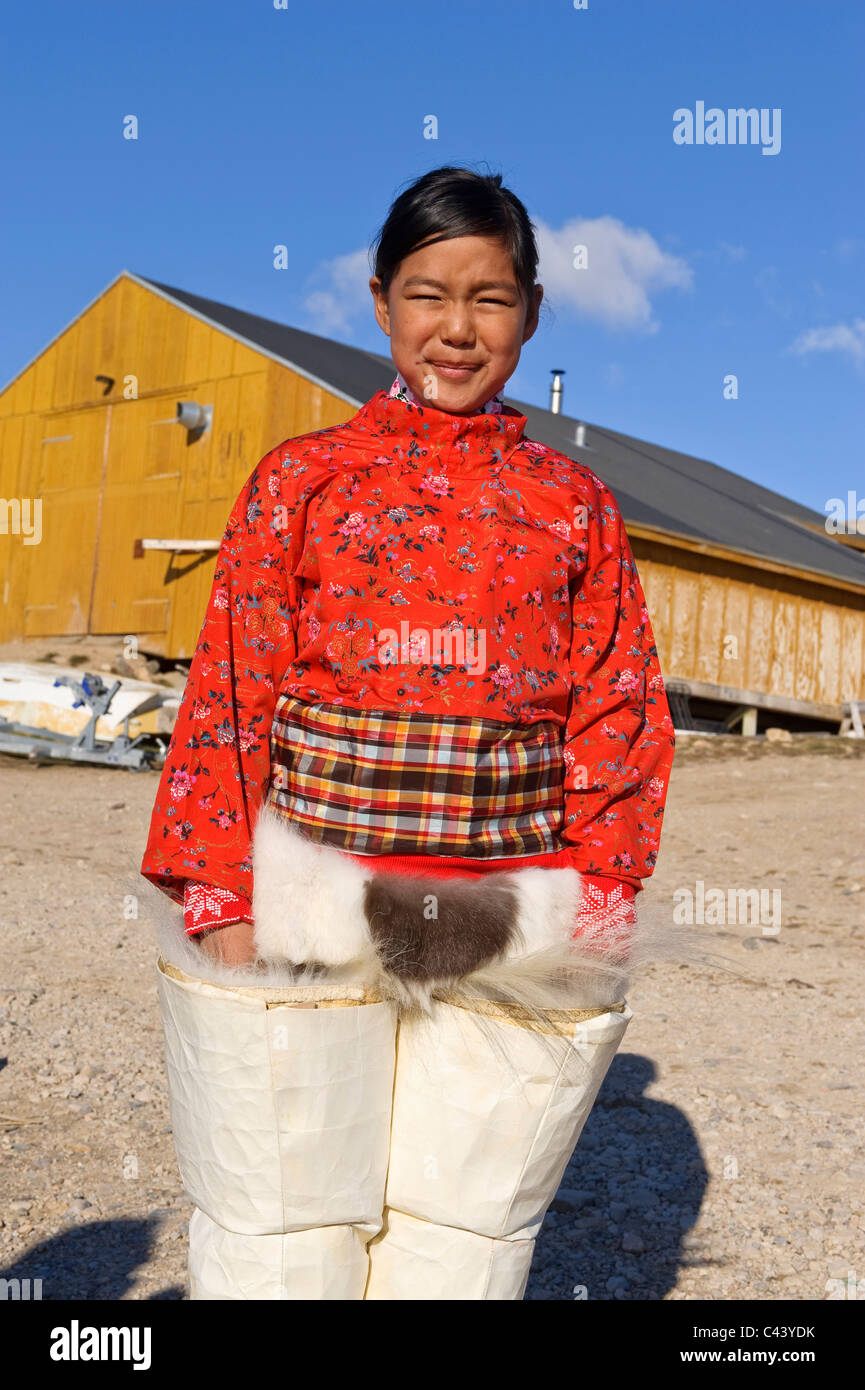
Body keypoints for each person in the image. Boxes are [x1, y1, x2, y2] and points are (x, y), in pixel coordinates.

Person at [141, 165, 677, 1300]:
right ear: (380, 300)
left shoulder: (572, 503)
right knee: (282, 1216)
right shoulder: (305, 481)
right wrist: (217, 891)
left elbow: (617, 702)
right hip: (309, 897)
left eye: (490, 298)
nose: (457, 327)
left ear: (530, 312)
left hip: (506, 915)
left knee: (463, 1228)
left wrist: (606, 890)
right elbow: (233, 684)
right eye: (429, 293)